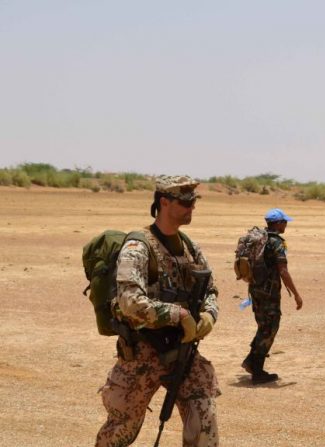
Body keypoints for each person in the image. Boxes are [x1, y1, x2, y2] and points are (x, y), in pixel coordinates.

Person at [96, 175, 220, 447]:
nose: (192, 207)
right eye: (185, 201)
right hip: (142, 353)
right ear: (164, 202)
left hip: (182, 351)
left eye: (193, 201)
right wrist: (180, 315)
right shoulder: (138, 247)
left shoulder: (189, 246)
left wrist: (209, 314)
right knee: (121, 430)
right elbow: (129, 302)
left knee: (203, 418)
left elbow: (210, 289)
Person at [241, 208, 304, 384]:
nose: (286, 225)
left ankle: (251, 361)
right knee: (270, 327)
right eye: (284, 222)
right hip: (269, 293)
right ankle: (257, 370)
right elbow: (283, 270)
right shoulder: (276, 242)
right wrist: (297, 294)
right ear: (277, 223)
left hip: (255, 289)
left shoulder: (259, 239)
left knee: (263, 326)